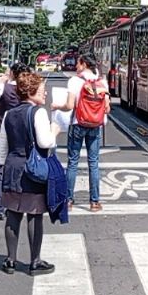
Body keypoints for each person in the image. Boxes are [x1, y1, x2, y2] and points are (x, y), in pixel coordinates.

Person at [0, 71, 57, 275]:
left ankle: (10, 260)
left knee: (13, 214)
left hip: (13, 166)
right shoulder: (38, 113)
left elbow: (2, 148)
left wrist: (7, 166)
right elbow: (45, 142)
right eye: (42, 90)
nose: (45, 94)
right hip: (33, 168)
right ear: (31, 92)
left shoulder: (9, 114)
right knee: (34, 215)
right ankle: (35, 261)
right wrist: (55, 131)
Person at [58, 54, 109, 212]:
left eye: (78, 63)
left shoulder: (74, 81)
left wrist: (56, 107)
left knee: (73, 162)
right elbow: (107, 108)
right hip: (95, 125)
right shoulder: (101, 81)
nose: (76, 66)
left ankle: (68, 201)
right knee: (93, 163)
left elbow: (69, 105)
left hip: (78, 123)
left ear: (84, 64)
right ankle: (94, 202)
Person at [0, 62, 27, 220]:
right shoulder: (25, 89)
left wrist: (0, 84)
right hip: (22, 133)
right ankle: (18, 203)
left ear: (12, 73)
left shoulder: (5, 88)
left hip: (2, 132)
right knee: (19, 167)